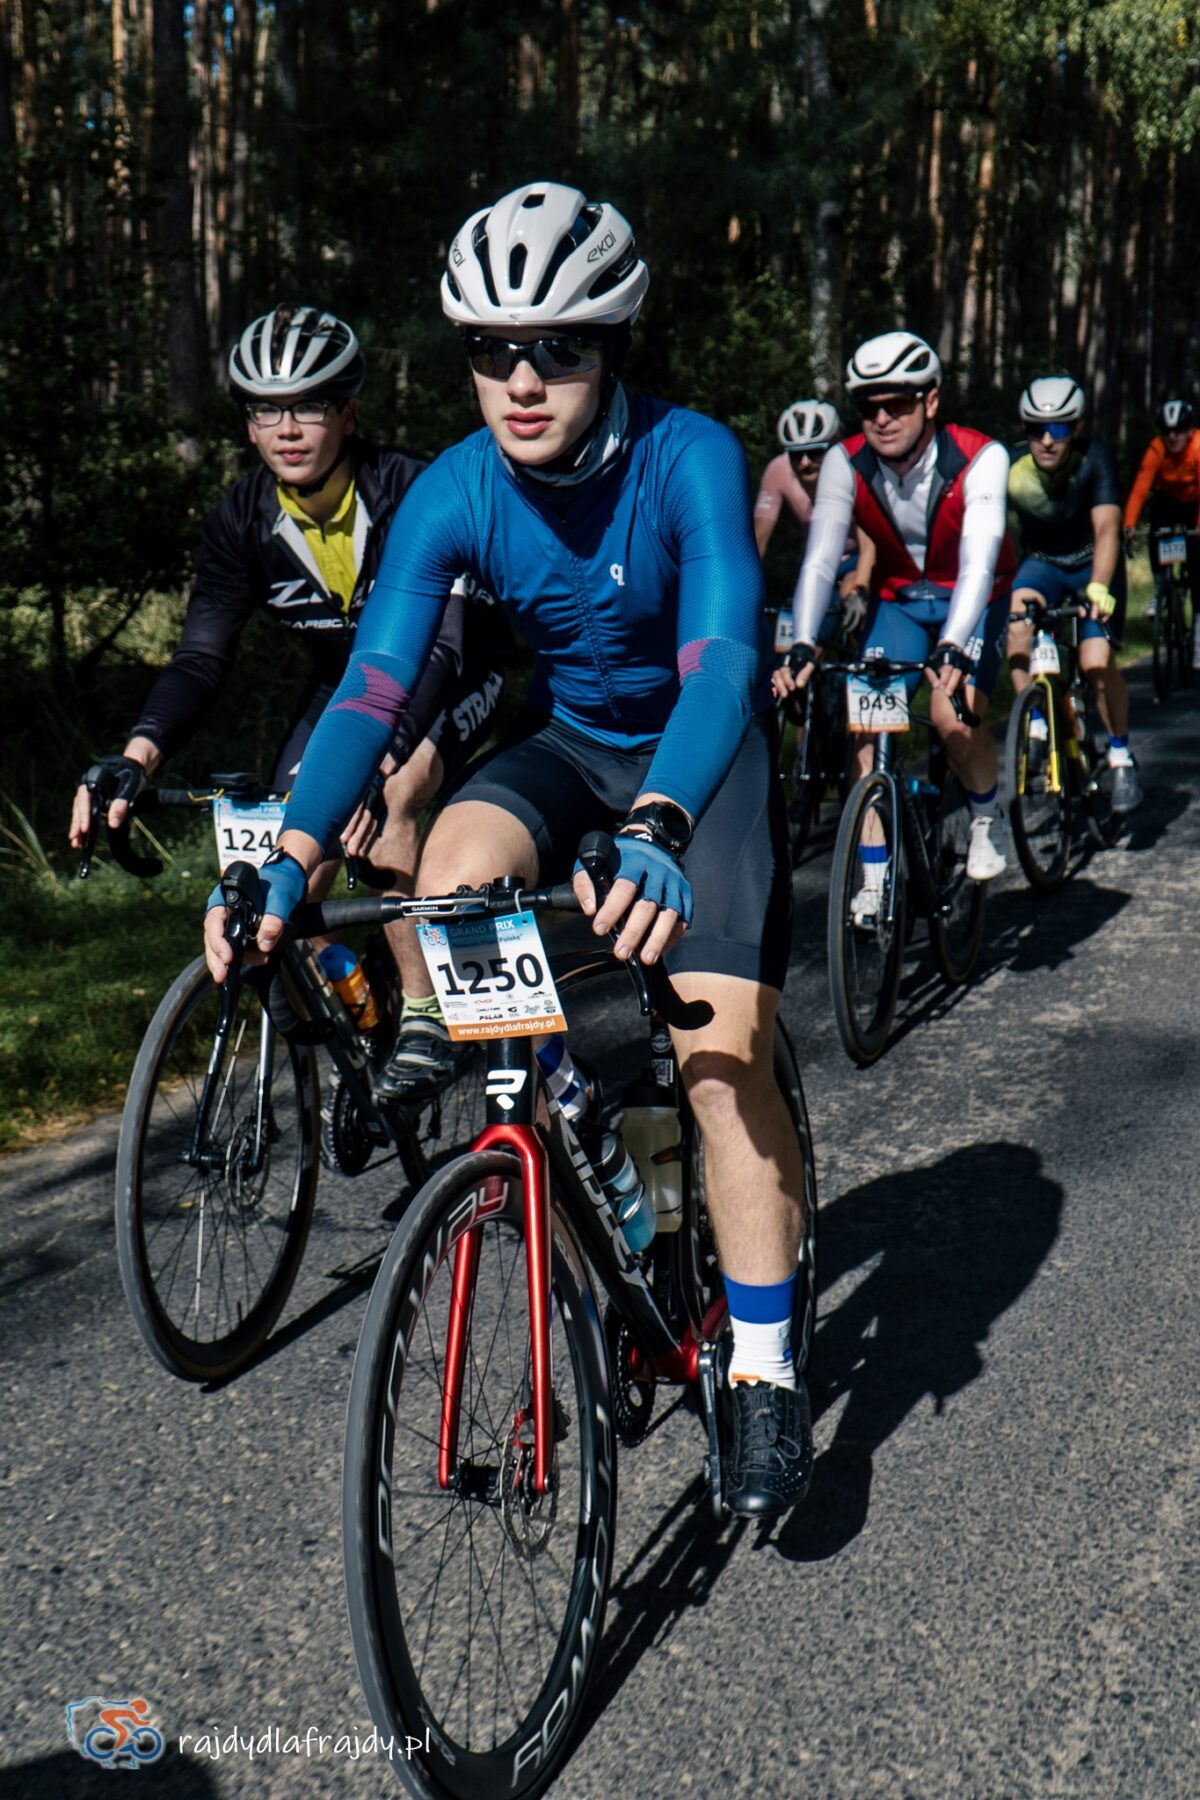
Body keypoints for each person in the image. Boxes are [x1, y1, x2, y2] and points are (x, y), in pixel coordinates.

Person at [203, 182, 813, 1520]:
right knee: (450, 874)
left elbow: (723, 660)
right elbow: (373, 687)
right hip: (576, 746)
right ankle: (576, 1155)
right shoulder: (457, 488)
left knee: (718, 1068)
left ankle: (766, 1369)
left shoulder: (692, 456)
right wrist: (289, 865)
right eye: (492, 350)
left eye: (559, 348)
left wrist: (661, 823)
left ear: (613, 347)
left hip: (700, 761)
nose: (523, 380)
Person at [69, 304, 507, 1096]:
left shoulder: (410, 490)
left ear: (349, 414)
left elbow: (443, 648)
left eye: (309, 405)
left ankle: (425, 1018)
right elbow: (201, 659)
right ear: (247, 426)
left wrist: (383, 764)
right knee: (284, 852)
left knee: (390, 803)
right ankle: (360, 1016)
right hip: (348, 689)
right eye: (266, 410)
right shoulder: (242, 519)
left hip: (456, 672)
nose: (288, 428)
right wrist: (137, 756)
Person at [776, 331, 1014, 915]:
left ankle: (986, 818)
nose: (881, 418)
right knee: (868, 726)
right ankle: (874, 874)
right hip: (901, 602)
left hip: (973, 598)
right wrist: (803, 643)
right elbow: (819, 558)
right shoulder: (845, 461)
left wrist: (953, 644)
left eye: (897, 403)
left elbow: (980, 562)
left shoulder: (981, 457)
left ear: (930, 401)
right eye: (868, 406)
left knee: (951, 716)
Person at [1006, 375, 1140, 812]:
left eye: (1059, 428)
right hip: (1043, 562)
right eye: (1036, 429)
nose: (1047, 440)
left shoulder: (1094, 457)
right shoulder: (1012, 466)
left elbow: (1107, 529)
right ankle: (1036, 721)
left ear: (1077, 428)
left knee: (1095, 662)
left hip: (1090, 563)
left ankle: (1120, 753)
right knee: (1015, 624)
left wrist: (1098, 587)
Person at [755, 399, 872, 644]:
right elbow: (758, 540)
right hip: (819, 558)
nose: (805, 462)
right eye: (796, 455)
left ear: (835, 445)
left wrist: (859, 589)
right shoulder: (778, 470)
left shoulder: (854, 468)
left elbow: (869, 541)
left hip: (859, 556)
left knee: (850, 595)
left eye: (816, 452)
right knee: (800, 636)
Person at [1123, 398, 1200, 626]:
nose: (1172, 437)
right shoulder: (1157, 448)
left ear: (1190, 430)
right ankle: (1161, 590)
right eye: (1167, 431)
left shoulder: (1198, 446)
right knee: (1157, 533)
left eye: (1179, 430)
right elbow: (1141, 487)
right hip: (1167, 499)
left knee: (1196, 561)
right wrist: (1129, 523)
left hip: (1194, 501)